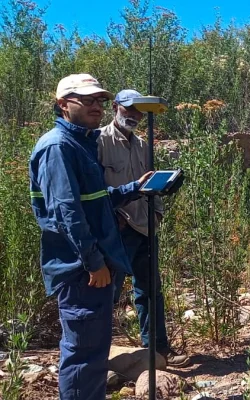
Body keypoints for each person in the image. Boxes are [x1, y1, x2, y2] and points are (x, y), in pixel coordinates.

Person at [29, 74, 152, 399]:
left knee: (94, 354)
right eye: (87, 100)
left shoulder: (81, 143)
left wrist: (133, 189)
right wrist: (94, 262)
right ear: (62, 104)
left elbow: (93, 200)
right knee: (84, 356)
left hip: (94, 268)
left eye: (99, 100)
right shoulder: (58, 147)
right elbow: (66, 213)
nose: (95, 105)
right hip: (82, 271)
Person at [98, 89, 190, 367]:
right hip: (117, 230)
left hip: (145, 227)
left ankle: (158, 350)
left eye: (139, 110)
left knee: (150, 291)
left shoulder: (142, 145)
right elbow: (94, 189)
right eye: (129, 109)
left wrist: (158, 213)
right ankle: (97, 356)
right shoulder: (99, 141)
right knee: (107, 294)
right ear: (114, 107)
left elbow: (151, 183)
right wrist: (114, 217)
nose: (135, 115)